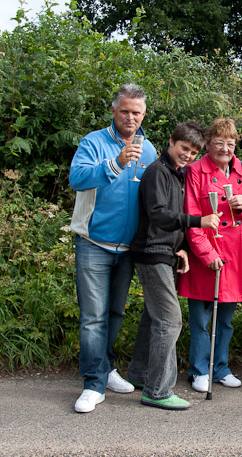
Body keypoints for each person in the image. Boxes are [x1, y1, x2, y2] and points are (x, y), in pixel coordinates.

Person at [69, 84, 157, 413]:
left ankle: (104, 369)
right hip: (93, 243)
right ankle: (92, 384)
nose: (130, 117)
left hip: (129, 249)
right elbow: (77, 179)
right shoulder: (93, 142)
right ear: (114, 111)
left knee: (116, 313)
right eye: (125, 111)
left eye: (136, 112)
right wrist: (116, 163)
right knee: (93, 317)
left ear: (143, 114)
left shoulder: (149, 150)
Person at [126, 121, 220, 410]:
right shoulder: (157, 172)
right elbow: (158, 215)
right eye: (184, 148)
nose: (188, 155)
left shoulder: (176, 174)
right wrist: (198, 222)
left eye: (193, 152)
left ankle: (141, 374)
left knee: (154, 318)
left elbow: (170, 220)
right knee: (170, 320)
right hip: (150, 253)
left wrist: (180, 249)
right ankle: (157, 390)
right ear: (171, 142)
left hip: (164, 252)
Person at [177, 117, 242, 393]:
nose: (225, 148)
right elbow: (191, 215)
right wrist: (205, 253)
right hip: (206, 252)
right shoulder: (195, 171)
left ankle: (220, 367)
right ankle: (200, 369)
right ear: (208, 144)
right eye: (218, 143)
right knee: (200, 318)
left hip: (236, 254)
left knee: (225, 318)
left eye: (230, 143)